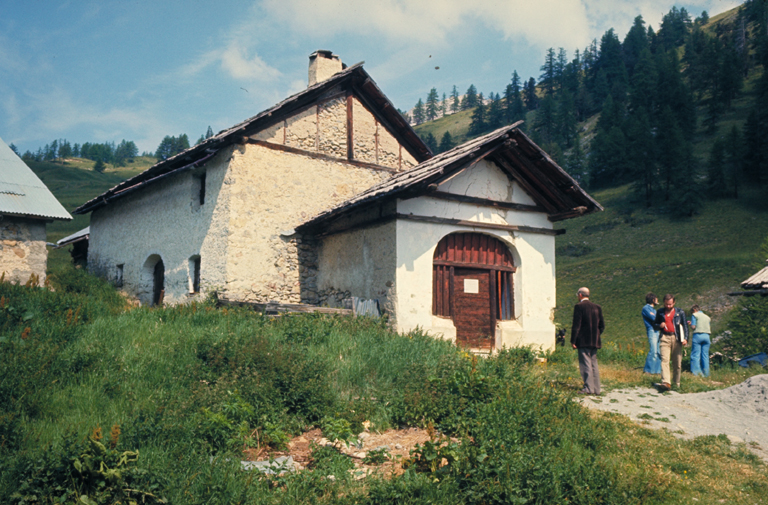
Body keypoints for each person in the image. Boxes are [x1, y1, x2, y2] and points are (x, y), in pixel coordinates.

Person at [571, 287, 605, 395]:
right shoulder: (597, 307)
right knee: (594, 364)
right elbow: (602, 325)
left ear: (580, 295)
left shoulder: (579, 307)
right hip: (595, 340)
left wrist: (573, 340)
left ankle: (588, 388)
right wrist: (596, 335)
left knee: (585, 364)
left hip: (583, 339)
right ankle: (596, 389)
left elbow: (576, 325)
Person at [654, 294, 689, 391]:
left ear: (674, 303)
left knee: (677, 362)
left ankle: (676, 383)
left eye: (670, 304)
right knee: (664, 360)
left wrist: (686, 338)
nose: (668, 306)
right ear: (664, 303)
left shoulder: (680, 312)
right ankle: (666, 382)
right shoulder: (660, 312)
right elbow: (655, 325)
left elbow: (685, 325)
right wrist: (659, 325)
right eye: (666, 304)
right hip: (665, 337)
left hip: (677, 338)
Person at [689, 305, 711, 377]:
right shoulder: (707, 317)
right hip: (707, 336)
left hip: (698, 335)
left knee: (695, 355)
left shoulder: (695, 315)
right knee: (705, 355)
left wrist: (690, 324)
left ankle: (697, 373)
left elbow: (693, 327)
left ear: (694, 310)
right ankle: (706, 373)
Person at [642, 293, 661, 374]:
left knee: (658, 352)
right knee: (653, 351)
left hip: (657, 331)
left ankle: (657, 371)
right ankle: (648, 370)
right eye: (656, 299)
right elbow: (654, 318)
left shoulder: (654, 310)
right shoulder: (646, 308)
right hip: (652, 330)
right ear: (653, 299)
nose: (657, 300)